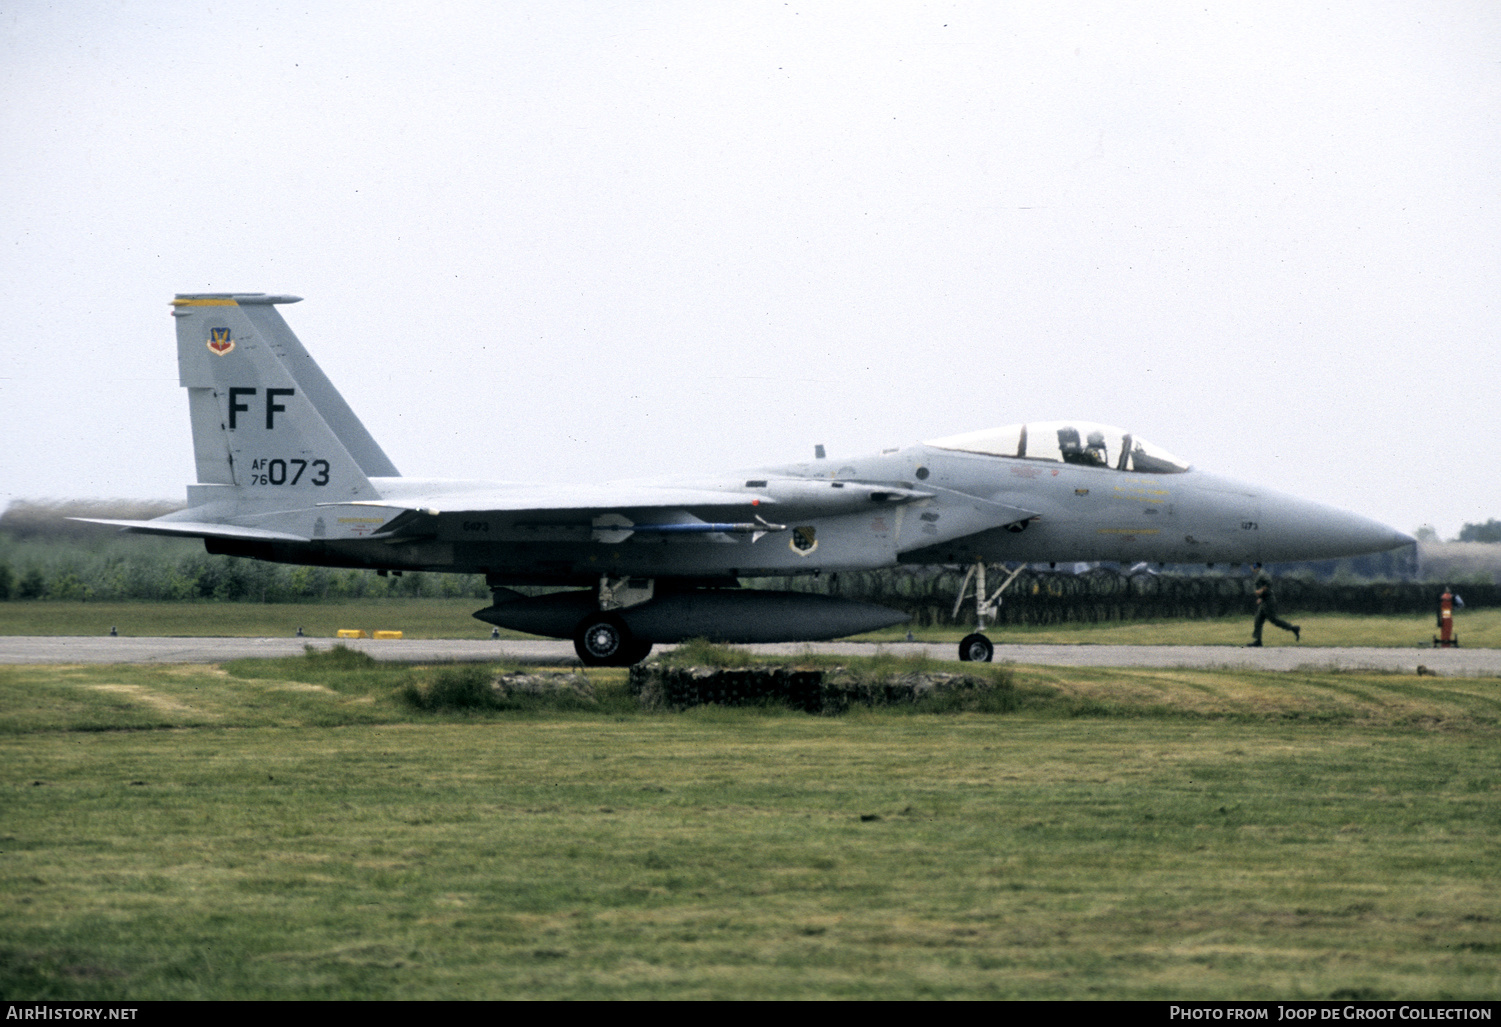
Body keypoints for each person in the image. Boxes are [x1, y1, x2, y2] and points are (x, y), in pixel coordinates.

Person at [1247, 562, 1300, 647]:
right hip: (1264, 600)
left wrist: (1261, 591)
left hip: (1268, 601)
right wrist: (1260, 597)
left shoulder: (1262, 574)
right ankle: (1258, 641)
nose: (1251, 568)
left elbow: (1269, 583)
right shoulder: (1259, 574)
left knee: (1274, 619)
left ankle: (1293, 628)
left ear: (1255, 566)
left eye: (1252, 566)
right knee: (1258, 619)